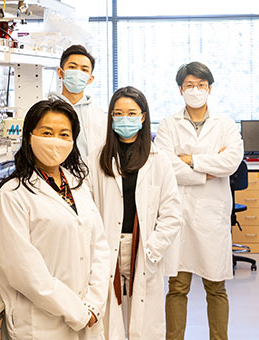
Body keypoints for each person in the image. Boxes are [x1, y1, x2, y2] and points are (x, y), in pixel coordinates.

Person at [0, 99, 110, 340]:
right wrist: (77, 311)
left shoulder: (77, 186)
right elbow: (24, 270)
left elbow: (99, 246)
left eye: (64, 134)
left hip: (88, 315)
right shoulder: (13, 194)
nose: (56, 140)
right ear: (29, 137)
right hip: (41, 323)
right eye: (47, 132)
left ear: (72, 141)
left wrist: (93, 304)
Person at [154, 61, 244, 340]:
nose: (196, 90)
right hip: (179, 213)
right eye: (190, 85)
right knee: (177, 287)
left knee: (216, 287)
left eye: (201, 85)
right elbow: (165, 164)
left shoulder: (226, 124)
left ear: (210, 89)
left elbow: (230, 162)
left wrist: (191, 159)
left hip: (212, 215)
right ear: (180, 89)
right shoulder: (169, 125)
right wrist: (206, 172)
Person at [87, 86, 182, 340]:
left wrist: (152, 249)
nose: (124, 119)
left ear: (143, 117)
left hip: (143, 247)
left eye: (131, 113)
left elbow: (172, 213)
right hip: (107, 247)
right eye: (118, 113)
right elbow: (87, 210)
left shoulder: (158, 159)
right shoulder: (96, 159)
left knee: (145, 321)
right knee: (109, 320)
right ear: (110, 118)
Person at [49, 44, 106, 162]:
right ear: (60, 72)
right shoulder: (46, 111)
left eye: (84, 70)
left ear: (90, 79)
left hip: (90, 176)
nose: (78, 73)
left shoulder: (99, 115)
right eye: (72, 67)